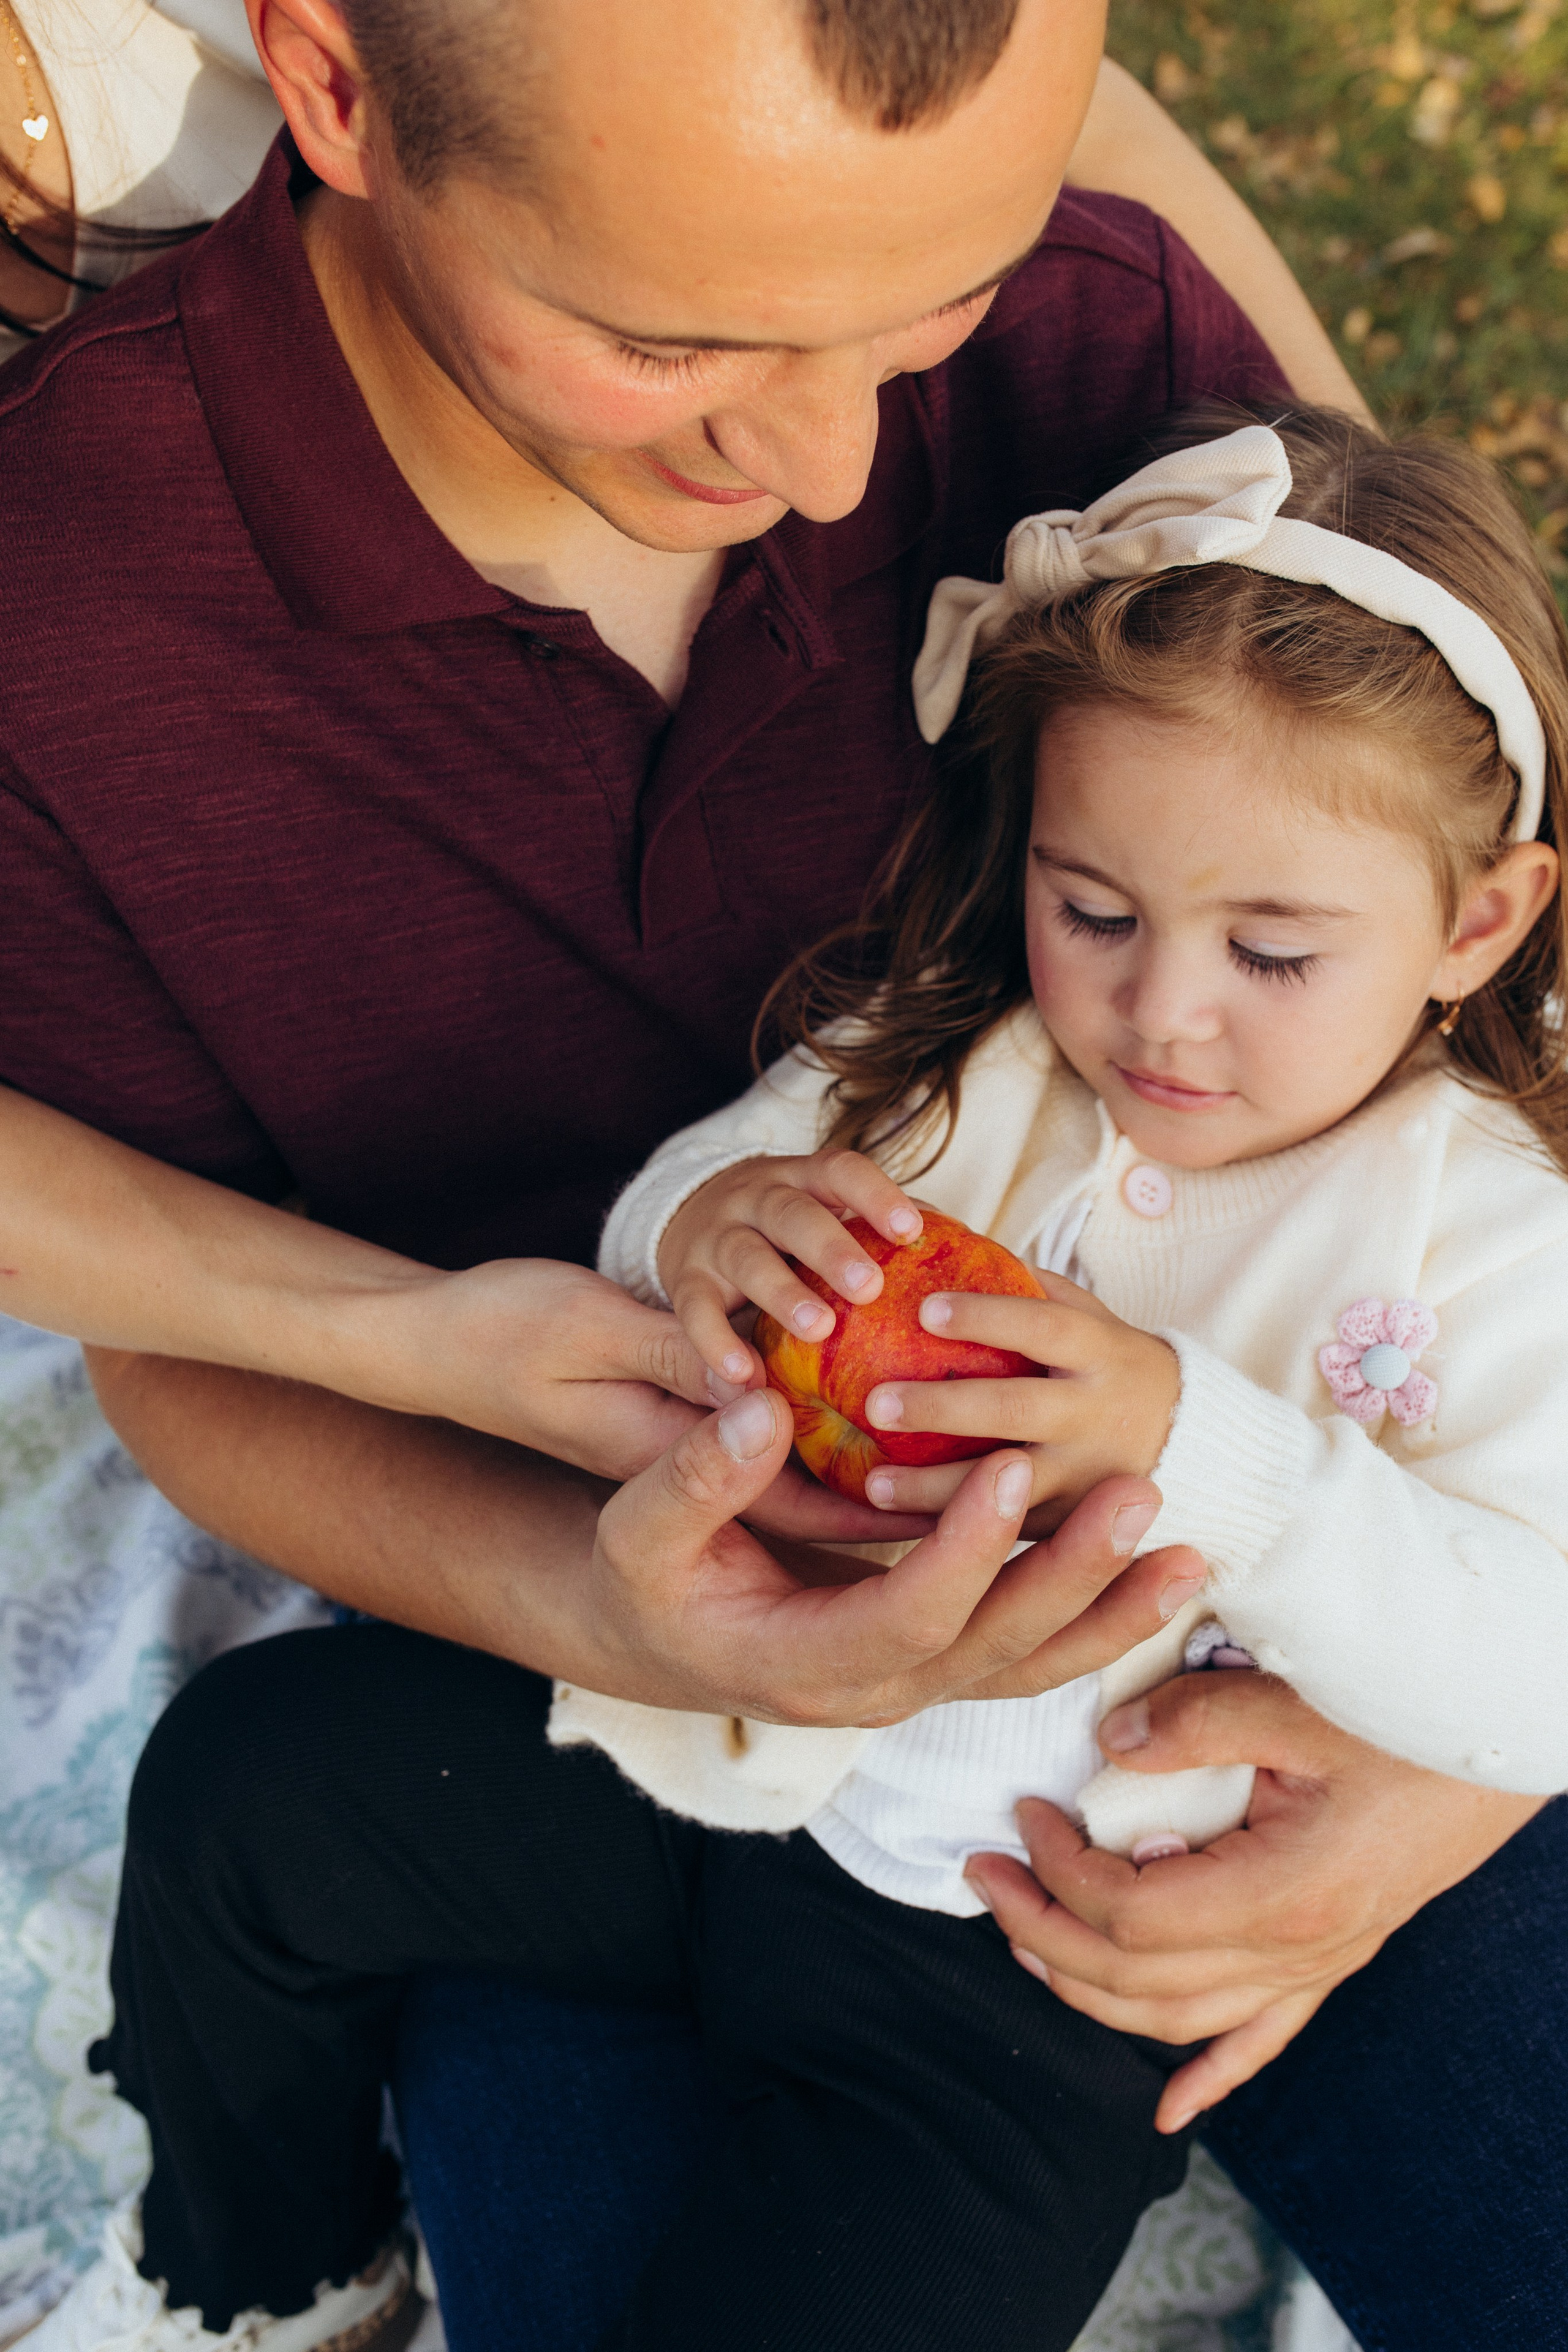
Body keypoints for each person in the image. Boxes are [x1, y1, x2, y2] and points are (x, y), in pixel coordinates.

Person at [0, 0, 1551, 2340]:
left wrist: (1446, 1779)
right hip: (626, 1672)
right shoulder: (64, 635)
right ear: (331, 89)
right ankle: (247, 2262)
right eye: (665, 334)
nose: (840, 463)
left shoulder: (1102, 353)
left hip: (1261, 1724)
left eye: (928, 303)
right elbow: (188, 1348)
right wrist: (601, 1589)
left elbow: (1430, 826)